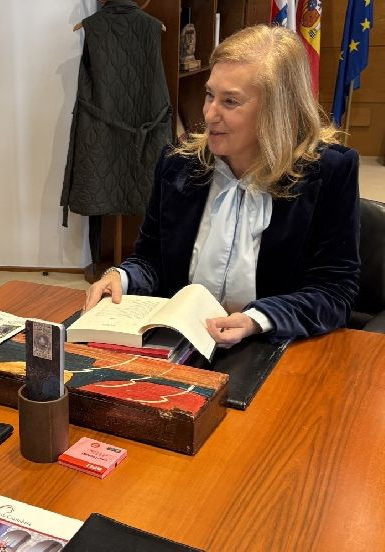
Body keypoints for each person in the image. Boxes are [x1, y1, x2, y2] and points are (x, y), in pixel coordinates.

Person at [83, 25, 360, 346]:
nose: (209, 113)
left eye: (230, 101)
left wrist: (257, 320)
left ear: (278, 109)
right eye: (209, 95)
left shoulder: (328, 172)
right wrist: (121, 276)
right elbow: (151, 259)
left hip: (273, 344)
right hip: (181, 341)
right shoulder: (177, 164)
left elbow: (334, 291)